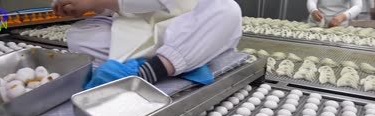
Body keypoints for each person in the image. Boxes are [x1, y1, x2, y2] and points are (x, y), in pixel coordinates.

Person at [52, 0, 242, 87]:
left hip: (188, 33)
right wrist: (86, 7)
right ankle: (137, 67)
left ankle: (152, 71)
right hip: (143, 35)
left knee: (227, 9)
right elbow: (115, 12)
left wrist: (95, 1)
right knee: (81, 33)